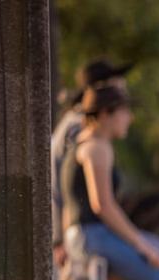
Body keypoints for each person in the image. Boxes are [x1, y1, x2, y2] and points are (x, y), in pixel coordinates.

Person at [60, 85, 159, 280]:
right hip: (92, 236)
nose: (130, 119)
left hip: (87, 234)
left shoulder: (82, 142)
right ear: (105, 115)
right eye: (124, 112)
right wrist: (143, 247)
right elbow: (102, 205)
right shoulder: (96, 148)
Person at [51, 58, 134, 267]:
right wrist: (58, 238)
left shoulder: (80, 123)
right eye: (116, 84)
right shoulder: (82, 127)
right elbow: (63, 185)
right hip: (78, 232)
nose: (123, 87)